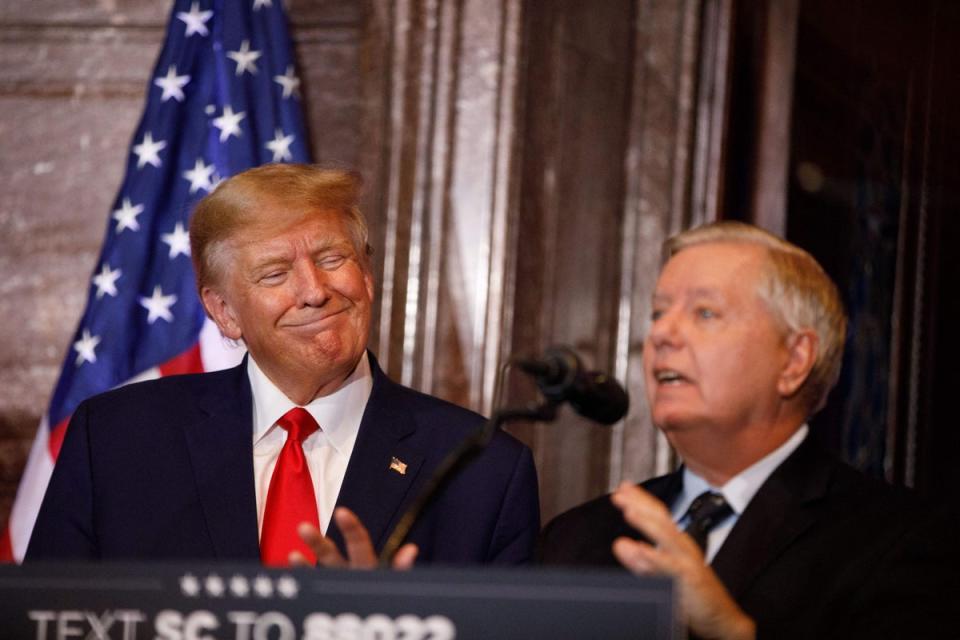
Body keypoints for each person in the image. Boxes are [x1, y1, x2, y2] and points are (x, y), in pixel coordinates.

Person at [26, 164, 539, 567]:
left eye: (333, 258)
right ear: (224, 312)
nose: (315, 291)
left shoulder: (482, 466)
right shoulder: (117, 439)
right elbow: (48, 623)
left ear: (367, 275)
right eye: (275, 273)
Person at [538, 221, 957, 639]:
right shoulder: (576, 538)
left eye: (705, 312)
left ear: (794, 361)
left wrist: (731, 632)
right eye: (658, 313)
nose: (662, 334)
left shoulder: (899, 543)